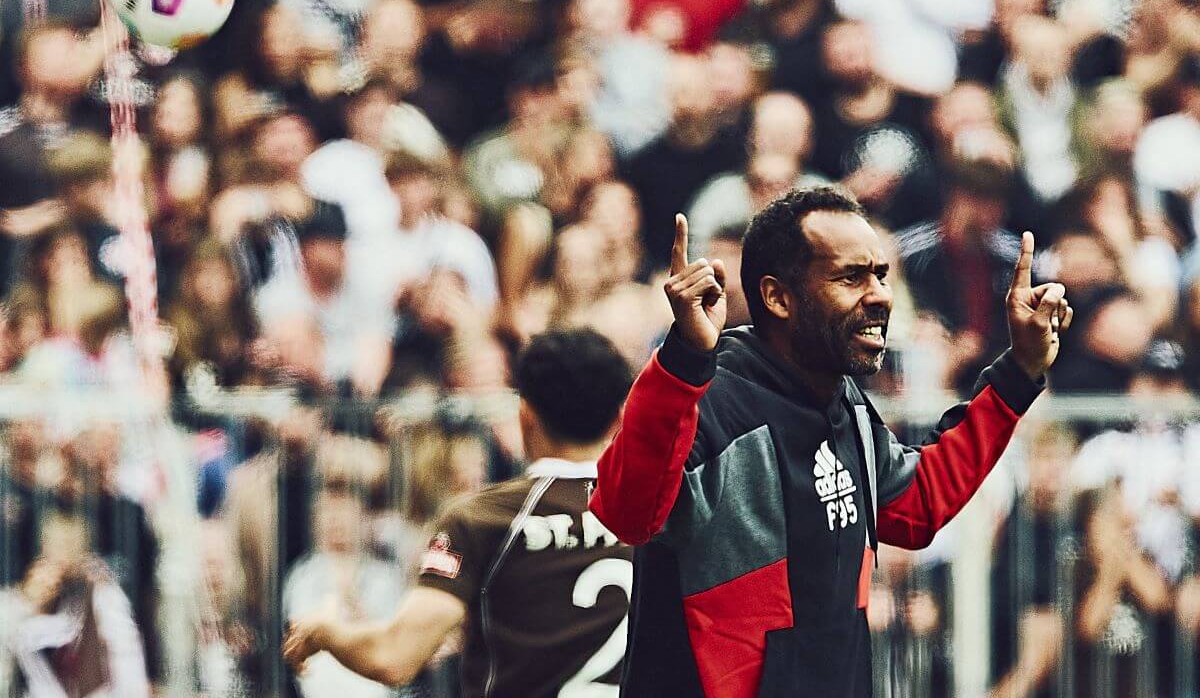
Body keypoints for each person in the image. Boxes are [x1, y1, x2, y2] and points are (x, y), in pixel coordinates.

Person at [588, 186, 1073, 697]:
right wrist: (682, 361)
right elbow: (627, 513)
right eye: (851, 277)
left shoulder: (845, 402)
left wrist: (1019, 371)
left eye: (881, 275)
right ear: (778, 297)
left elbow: (917, 504)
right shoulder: (708, 397)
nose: (881, 295)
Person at [283, 329, 636, 696]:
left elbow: (394, 656)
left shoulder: (482, 519)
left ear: (525, 416)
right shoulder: (661, 515)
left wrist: (326, 630)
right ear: (619, 418)